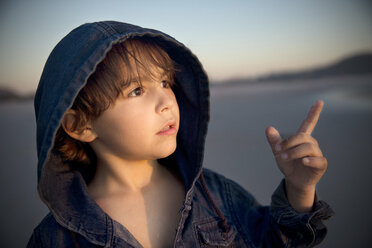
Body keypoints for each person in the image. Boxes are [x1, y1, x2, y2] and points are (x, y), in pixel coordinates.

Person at [27, 21, 333, 248]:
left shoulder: (215, 195)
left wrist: (300, 188)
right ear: (81, 125)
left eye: (164, 82)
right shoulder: (55, 237)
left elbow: (277, 240)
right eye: (137, 90)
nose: (166, 103)